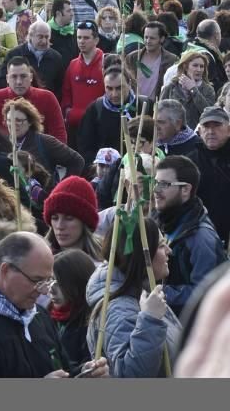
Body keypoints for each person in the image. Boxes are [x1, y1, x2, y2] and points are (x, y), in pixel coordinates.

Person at [0, 231, 108, 378]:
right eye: (36, 280)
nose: (43, 291)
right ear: (6, 271)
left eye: (48, 281)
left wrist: (83, 374)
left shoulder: (38, 314)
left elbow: (63, 369)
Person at [85, 218, 180, 377]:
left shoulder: (143, 293)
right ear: (141, 256)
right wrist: (150, 320)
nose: (169, 251)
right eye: (162, 245)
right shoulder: (118, 310)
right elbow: (131, 375)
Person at [152, 155, 227, 315]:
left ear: (185, 189)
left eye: (164, 184)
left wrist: (160, 293)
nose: (156, 190)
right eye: (156, 182)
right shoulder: (163, 219)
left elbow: (206, 294)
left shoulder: (201, 238)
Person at [0, 57, 67, 144]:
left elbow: (59, 134)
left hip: (41, 153)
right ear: (7, 79)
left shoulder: (47, 97)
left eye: (23, 76)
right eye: (14, 77)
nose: (19, 82)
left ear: (31, 77)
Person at [2, 98, 84, 180]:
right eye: (9, 120)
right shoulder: (1, 144)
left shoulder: (44, 142)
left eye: (19, 120)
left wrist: (62, 187)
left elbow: (77, 161)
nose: (13, 124)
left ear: (30, 122)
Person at [49, 250, 97, 370]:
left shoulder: (91, 323)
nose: (51, 289)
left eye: (59, 283)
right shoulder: (45, 316)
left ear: (78, 282)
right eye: (49, 280)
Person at [191, 106, 230, 245]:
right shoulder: (189, 161)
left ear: (229, 130)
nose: (211, 132)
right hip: (200, 236)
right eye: (206, 127)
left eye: (217, 126)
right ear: (200, 131)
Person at [0, 21, 65, 99]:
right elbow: (1, 82)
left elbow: (60, 87)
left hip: (45, 104)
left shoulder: (56, 58)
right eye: (40, 37)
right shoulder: (14, 54)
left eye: (47, 37)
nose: (44, 41)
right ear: (30, 36)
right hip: (18, 103)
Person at [61, 20, 104, 143]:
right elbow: (66, 92)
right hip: (75, 126)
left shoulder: (106, 63)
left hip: (97, 126)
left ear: (96, 40)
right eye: (79, 37)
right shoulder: (73, 64)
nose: (81, 41)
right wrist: (68, 111)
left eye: (86, 38)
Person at [43, 176, 101, 260]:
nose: (60, 226)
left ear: (85, 222)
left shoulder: (105, 268)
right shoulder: (39, 263)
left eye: (69, 218)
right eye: (55, 218)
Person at [159, 51, 216, 130]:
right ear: (185, 67)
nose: (199, 69)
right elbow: (160, 112)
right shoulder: (171, 87)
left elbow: (208, 113)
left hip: (197, 135)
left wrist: (193, 90)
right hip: (173, 133)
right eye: (195, 65)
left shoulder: (208, 89)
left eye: (202, 66)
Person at [123, 21, 177, 101]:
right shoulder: (132, 57)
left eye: (152, 38)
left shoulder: (171, 60)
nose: (148, 41)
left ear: (162, 39)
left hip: (157, 106)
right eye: (146, 37)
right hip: (134, 104)